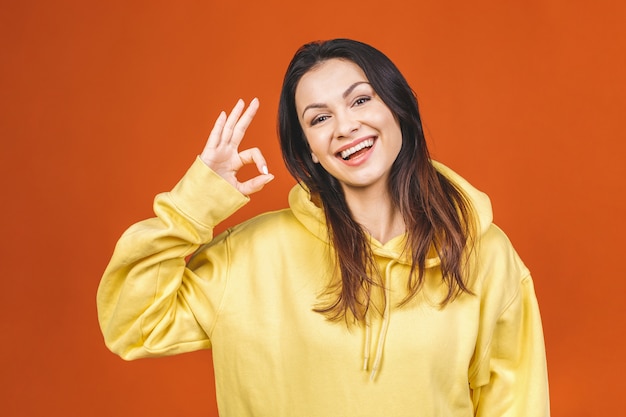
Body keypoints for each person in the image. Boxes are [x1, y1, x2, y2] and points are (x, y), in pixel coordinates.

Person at [97, 39, 550, 416]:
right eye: (319, 118)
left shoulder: (482, 252)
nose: (345, 126)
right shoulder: (251, 255)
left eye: (360, 99)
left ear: (397, 108)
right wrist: (194, 204)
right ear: (310, 149)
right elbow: (132, 322)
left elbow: (515, 402)